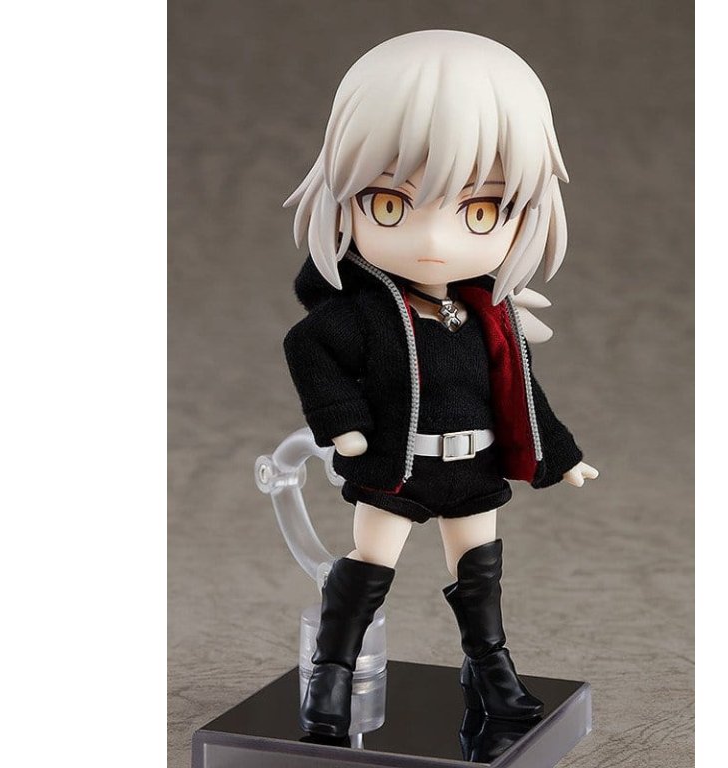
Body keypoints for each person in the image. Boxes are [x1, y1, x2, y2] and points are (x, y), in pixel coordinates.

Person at [281, 29, 599, 738]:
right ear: (344, 200)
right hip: (396, 466)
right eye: (390, 205)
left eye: (479, 212)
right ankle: (332, 674)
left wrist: (561, 453)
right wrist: (342, 421)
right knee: (369, 568)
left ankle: (490, 669)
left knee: (480, 572)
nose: (432, 241)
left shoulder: (489, 316)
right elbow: (307, 346)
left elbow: (521, 392)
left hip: (473, 467)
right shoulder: (366, 313)